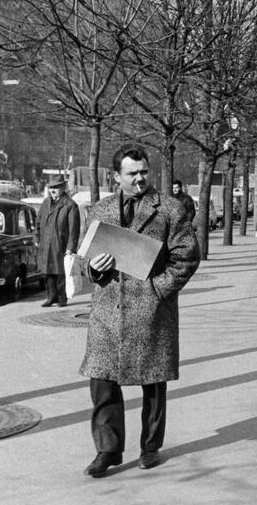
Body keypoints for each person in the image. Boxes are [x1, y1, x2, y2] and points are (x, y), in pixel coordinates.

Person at [79, 145, 200, 476]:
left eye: (144, 171)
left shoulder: (170, 210)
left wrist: (158, 289)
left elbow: (187, 257)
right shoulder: (99, 211)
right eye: (132, 173)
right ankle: (107, 450)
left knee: (153, 382)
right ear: (117, 176)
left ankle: (150, 447)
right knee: (102, 381)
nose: (140, 178)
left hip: (152, 310)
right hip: (107, 312)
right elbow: (82, 258)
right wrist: (94, 268)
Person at [36, 173, 80, 307]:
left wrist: (70, 248)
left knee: (61, 272)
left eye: (55, 187)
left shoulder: (70, 205)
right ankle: (51, 297)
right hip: (46, 244)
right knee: (48, 272)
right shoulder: (46, 202)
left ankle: (61, 298)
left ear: (63, 188)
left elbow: (74, 229)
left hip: (60, 245)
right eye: (50, 188)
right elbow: (38, 223)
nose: (52, 190)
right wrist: (36, 238)